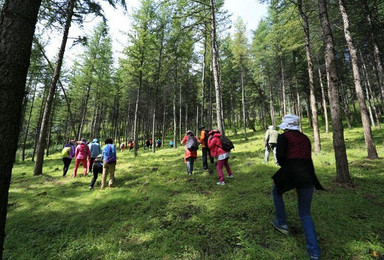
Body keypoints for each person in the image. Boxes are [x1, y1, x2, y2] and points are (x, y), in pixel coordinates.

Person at [272, 114, 324, 260]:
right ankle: (314, 253)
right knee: (305, 213)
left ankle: (281, 222)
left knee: (276, 191)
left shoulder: (284, 137)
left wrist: (287, 176)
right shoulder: (305, 137)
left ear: (286, 127)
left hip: (292, 172)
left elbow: (281, 158)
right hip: (308, 174)